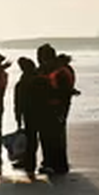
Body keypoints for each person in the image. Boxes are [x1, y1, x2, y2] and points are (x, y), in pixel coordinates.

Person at [37, 44, 73, 175]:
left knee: (50, 137)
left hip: (53, 108)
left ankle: (52, 164)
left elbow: (61, 91)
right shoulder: (63, 69)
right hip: (59, 107)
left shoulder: (56, 71)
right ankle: (58, 164)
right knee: (57, 136)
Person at [14, 57, 42, 174]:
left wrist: (18, 114)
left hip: (29, 112)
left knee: (30, 137)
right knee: (34, 137)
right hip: (38, 111)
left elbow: (19, 100)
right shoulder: (38, 78)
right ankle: (30, 161)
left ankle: (29, 162)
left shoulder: (24, 81)